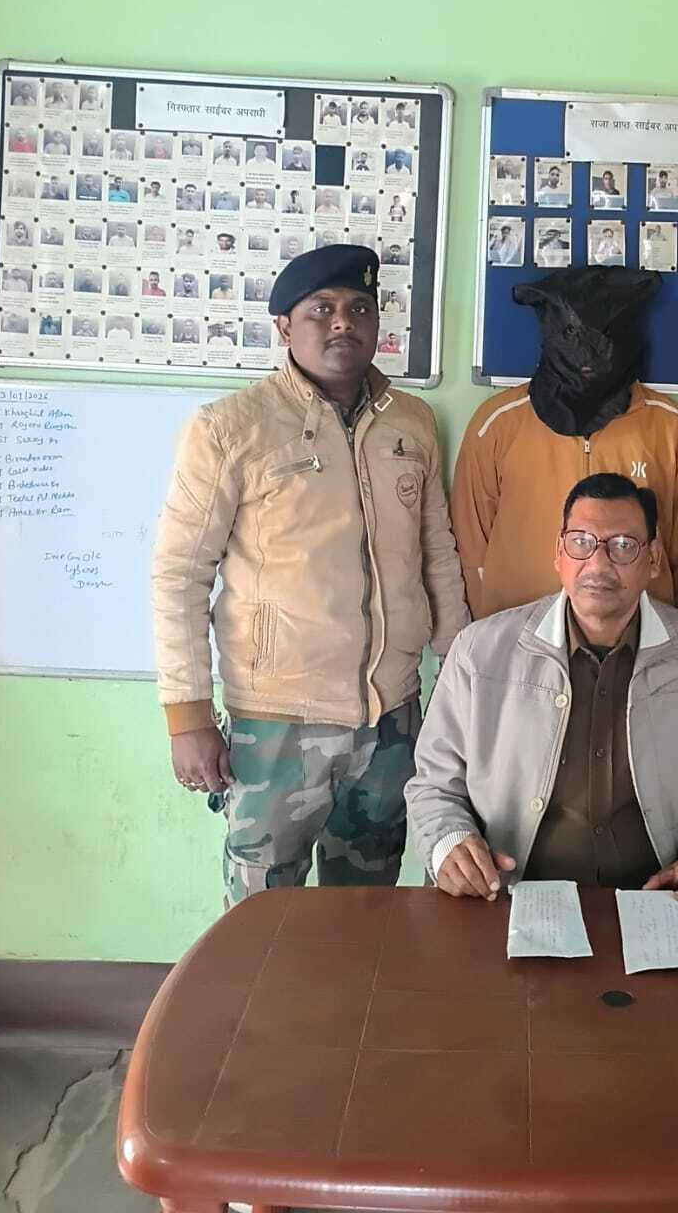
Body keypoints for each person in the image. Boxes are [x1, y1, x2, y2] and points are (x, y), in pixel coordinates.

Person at [152, 244, 469, 906]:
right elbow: (180, 575)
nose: (342, 323)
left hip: (392, 719)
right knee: (261, 916)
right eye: (320, 309)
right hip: (277, 723)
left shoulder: (411, 423)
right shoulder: (230, 429)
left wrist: (459, 682)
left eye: (359, 308)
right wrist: (187, 716)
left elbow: (437, 555)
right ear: (284, 327)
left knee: (367, 908)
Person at [408, 472, 678, 904]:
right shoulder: (480, 652)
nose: (599, 564)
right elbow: (433, 785)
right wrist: (450, 844)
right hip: (513, 898)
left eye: (623, 545)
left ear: (653, 558)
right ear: (559, 553)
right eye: (581, 542)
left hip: (666, 903)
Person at [452, 267, 678, 622]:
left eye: (604, 337)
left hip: (638, 638)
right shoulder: (496, 425)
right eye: (572, 335)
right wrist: (480, 637)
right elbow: (469, 552)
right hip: (517, 636)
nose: (588, 357)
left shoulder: (672, 428)